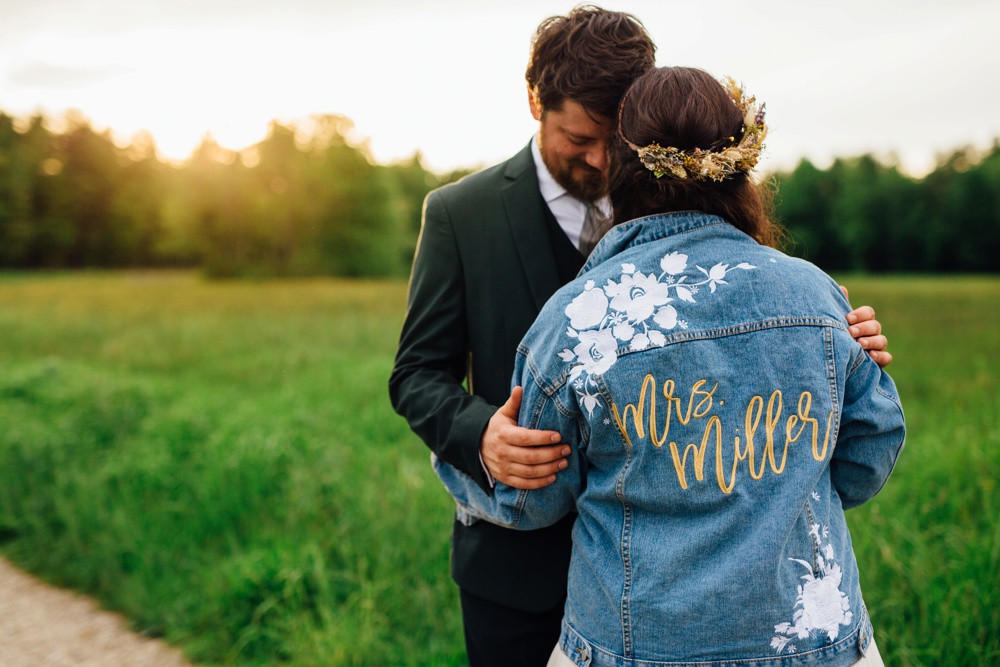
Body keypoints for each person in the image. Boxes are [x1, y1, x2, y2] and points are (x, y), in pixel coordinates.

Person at [389, 7, 890, 665]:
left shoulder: (720, 225)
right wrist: (477, 434)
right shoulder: (460, 212)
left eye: (613, 139)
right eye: (577, 137)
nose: (597, 160)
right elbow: (416, 373)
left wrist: (844, 347)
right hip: (520, 575)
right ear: (535, 101)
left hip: (674, 602)